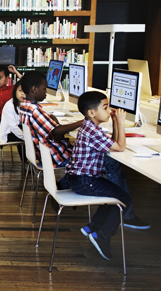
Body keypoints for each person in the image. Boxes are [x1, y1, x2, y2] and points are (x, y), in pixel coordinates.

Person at [19, 71, 150, 230]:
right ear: (34, 89)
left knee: (93, 157)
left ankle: (68, 183)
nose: (46, 91)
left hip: (47, 153)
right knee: (112, 163)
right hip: (59, 155)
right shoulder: (35, 110)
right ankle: (125, 213)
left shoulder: (25, 106)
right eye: (44, 88)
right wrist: (86, 120)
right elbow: (57, 132)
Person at [63, 91, 132, 260]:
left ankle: (92, 227)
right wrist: (122, 123)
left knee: (114, 194)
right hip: (85, 181)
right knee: (124, 199)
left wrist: (116, 122)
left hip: (80, 179)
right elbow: (121, 147)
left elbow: (113, 144)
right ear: (92, 113)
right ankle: (101, 237)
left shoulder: (89, 127)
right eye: (106, 107)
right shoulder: (92, 132)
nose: (109, 111)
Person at [0, 79, 25, 160]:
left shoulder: (24, 103)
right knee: (31, 137)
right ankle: (28, 160)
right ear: (15, 91)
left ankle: (29, 160)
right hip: (9, 133)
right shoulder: (9, 105)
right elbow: (13, 127)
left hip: (17, 131)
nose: (23, 93)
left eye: (25, 91)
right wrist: (26, 137)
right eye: (20, 90)